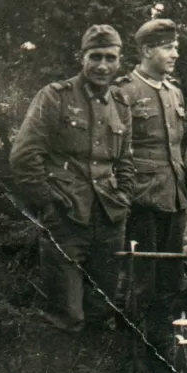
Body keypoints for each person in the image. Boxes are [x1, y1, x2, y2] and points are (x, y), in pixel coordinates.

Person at [10, 25, 134, 332]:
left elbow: (126, 161)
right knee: (66, 314)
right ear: (82, 57)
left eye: (110, 57)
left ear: (120, 61)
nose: (102, 65)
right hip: (66, 217)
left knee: (101, 309)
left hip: (108, 219)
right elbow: (24, 156)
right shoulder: (55, 97)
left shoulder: (120, 103)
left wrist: (124, 198)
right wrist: (48, 207)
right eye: (95, 57)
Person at [115, 19, 187, 300]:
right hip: (141, 199)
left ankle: (167, 338)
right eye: (168, 48)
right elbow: (115, 151)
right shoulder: (123, 91)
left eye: (176, 47)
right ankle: (135, 339)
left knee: (171, 278)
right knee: (141, 280)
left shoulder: (174, 92)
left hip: (174, 196)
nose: (175, 54)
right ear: (147, 51)